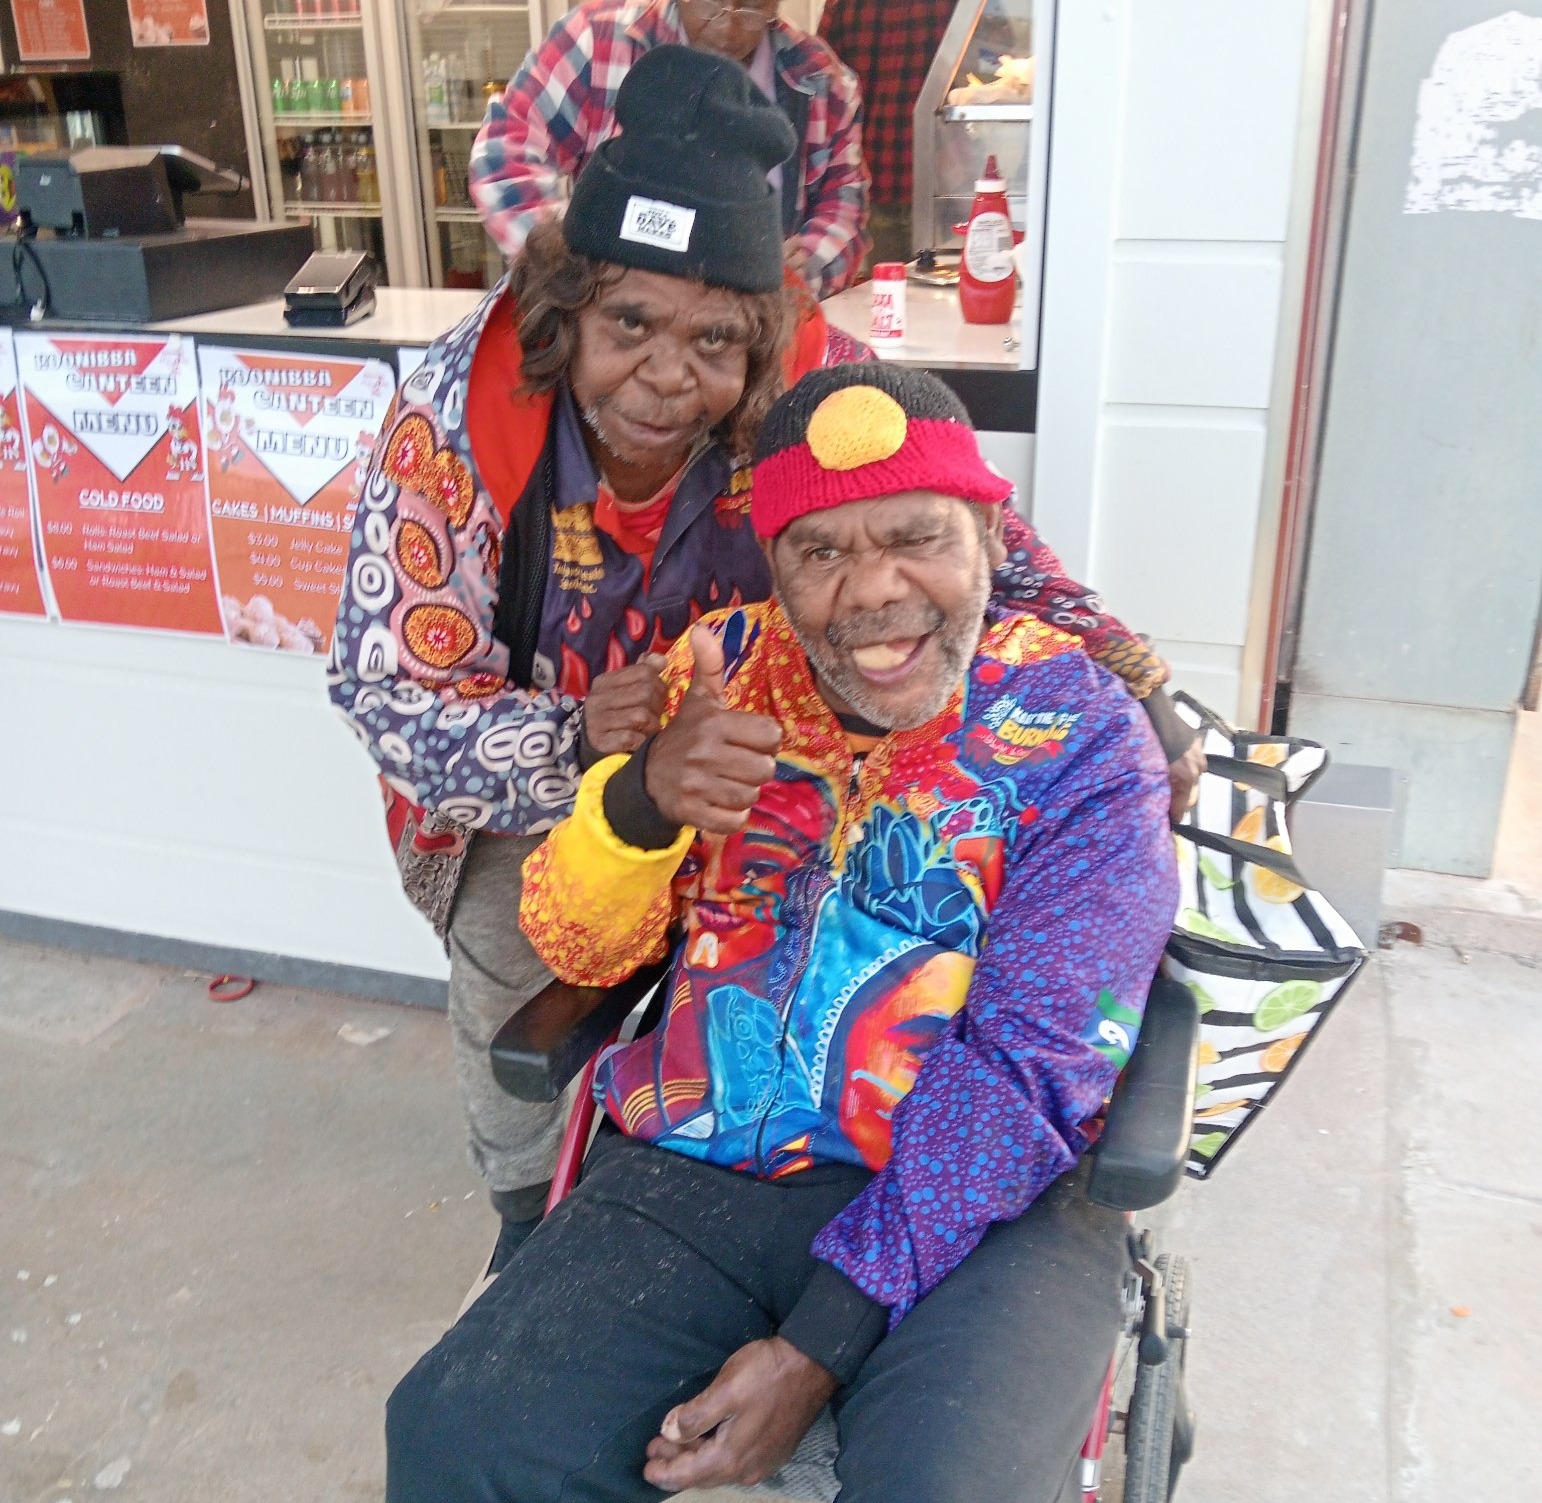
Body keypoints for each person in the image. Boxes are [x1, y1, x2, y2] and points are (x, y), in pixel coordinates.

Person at [330, 46, 1195, 1284]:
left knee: (866, 927)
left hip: (778, 738)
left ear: (763, 341)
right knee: (523, 962)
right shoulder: (455, 420)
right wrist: (587, 747)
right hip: (529, 771)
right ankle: (531, 1221)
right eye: (630, 323)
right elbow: (387, 691)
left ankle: (851, 1192)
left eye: (715, 343)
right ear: (567, 306)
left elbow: (973, 545)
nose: (670, 376)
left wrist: (1140, 684)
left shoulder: (818, 377)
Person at [383, 362, 1181, 1503]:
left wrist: (819, 1345)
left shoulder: (1083, 739)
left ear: (992, 541)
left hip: (983, 1201)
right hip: (705, 1158)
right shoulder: (714, 672)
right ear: (775, 563)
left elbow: (1030, 1067)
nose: (871, 592)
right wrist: (639, 800)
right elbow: (576, 951)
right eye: (820, 552)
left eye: (916, 537)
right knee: (460, 1437)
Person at [468, 0, 870, 300]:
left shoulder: (820, 78)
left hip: (752, 339)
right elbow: (503, 158)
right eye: (709, 4)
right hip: (613, 319)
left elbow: (844, 208)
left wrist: (800, 273)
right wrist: (571, 257)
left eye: (751, 9)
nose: (728, 30)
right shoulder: (598, 42)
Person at [819, 0, 955, 267]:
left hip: (875, 177)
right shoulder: (950, 6)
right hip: (946, 180)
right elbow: (992, 66)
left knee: (887, 292)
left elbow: (823, 92)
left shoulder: (843, 6)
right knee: (950, 295)